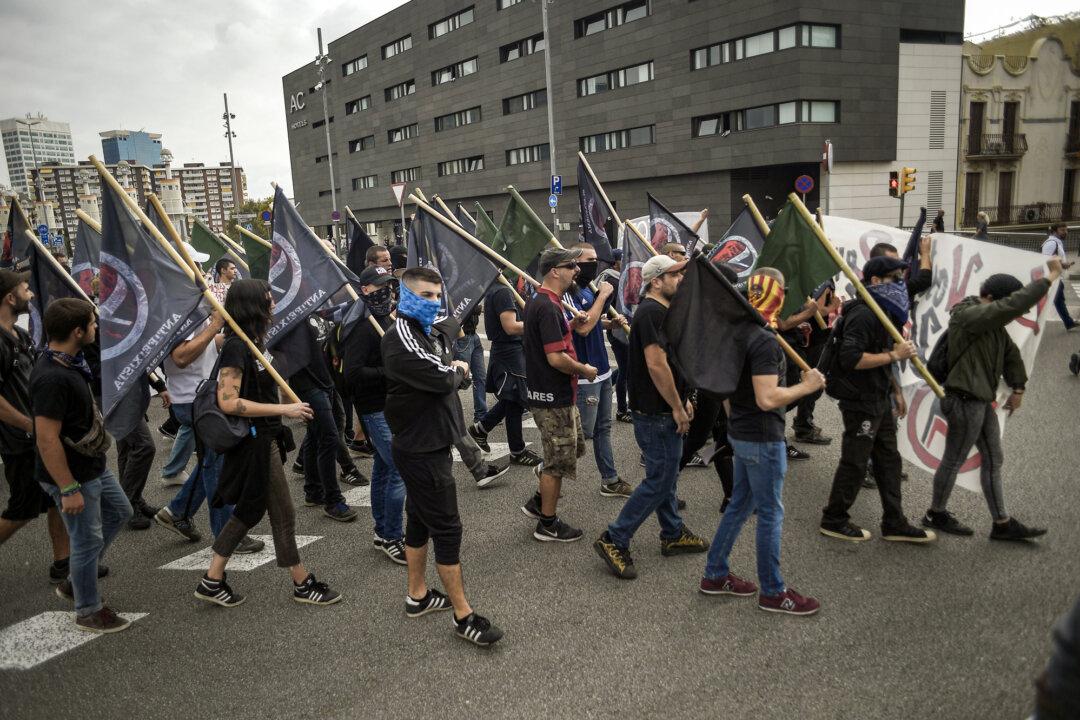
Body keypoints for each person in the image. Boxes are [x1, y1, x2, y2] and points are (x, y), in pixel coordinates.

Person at [196, 279, 340, 608]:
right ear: (252, 305)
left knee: (256, 509)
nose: (273, 302)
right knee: (279, 512)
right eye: (267, 298)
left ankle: (213, 579)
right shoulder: (236, 346)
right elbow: (229, 401)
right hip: (254, 441)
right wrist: (285, 408)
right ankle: (301, 582)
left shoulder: (255, 341)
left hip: (267, 436)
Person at [382, 267, 503, 646]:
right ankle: (463, 614)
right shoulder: (401, 336)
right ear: (405, 297)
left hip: (430, 442)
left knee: (418, 521)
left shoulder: (425, 330)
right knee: (448, 530)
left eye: (437, 295)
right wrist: (458, 367)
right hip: (420, 450)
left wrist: (455, 367)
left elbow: (448, 369)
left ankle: (417, 595)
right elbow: (444, 378)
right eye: (425, 295)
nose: (433, 302)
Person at [698, 267, 825, 615]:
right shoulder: (763, 340)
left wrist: (736, 418)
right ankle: (773, 591)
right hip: (762, 437)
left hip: (741, 432)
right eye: (781, 290)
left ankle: (714, 573)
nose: (786, 296)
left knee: (740, 505)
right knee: (770, 512)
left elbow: (725, 390)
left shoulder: (733, 333)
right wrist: (807, 386)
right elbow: (767, 399)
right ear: (772, 295)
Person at [923, 262, 1059, 540]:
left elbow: (1011, 356)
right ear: (993, 300)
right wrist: (1050, 278)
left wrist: (1018, 389)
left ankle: (1002, 523)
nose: (1015, 316)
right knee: (954, 459)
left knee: (994, 458)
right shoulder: (968, 316)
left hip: (980, 402)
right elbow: (1006, 309)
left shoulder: (993, 325)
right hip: (963, 400)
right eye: (1012, 309)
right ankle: (935, 513)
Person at [594, 254, 709, 579]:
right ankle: (615, 538)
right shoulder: (651, 313)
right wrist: (675, 405)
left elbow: (673, 361)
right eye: (675, 276)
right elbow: (657, 365)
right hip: (656, 413)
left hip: (662, 409)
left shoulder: (660, 311)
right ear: (656, 280)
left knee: (666, 476)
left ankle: (672, 533)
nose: (681, 280)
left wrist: (683, 399)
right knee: (659, 480)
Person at [819, 256, 935, 544]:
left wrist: (895, 390)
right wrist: (895, 355)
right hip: (860, 401)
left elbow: (882, 356)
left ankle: (894, 521)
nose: (900, 284)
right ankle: (834, 518)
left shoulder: (884, 311)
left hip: (879, 396)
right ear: (874, 281)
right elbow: (851, 358)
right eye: (894, 278)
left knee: (889, 461)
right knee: (856, 461)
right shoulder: (864, 315)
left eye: (901, 278)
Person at [33, 298, 133, 632]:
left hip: (91, 465)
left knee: (120, 511)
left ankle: (76, 579)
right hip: (73, 476)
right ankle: (88, 608)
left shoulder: (68, 361)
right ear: (77, 332)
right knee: (87, 541)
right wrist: (67, 487)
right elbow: (46, 438)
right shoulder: (52, 378)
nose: (96, 328)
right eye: (92, 323)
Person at [153, 311, 264, 554]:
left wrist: (234, 335)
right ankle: (227, 534)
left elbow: (206, 346)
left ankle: (177, 512)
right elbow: (181, 356)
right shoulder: (177, 311)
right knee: (218, 464)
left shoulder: (196, 310)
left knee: (211, 461)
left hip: (202, 395)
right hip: (192, 399)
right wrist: (214, 325)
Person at [520, 247, 596, 543]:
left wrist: (571, 326)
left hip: (555, 394)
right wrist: (583, 369)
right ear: (554, 270)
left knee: (571, 450)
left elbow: (549, 340)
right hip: (552, 396)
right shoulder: (548, 306)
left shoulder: (547, 302)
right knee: (557, 461)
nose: (577, 270)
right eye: (571, 265)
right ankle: (547, 524)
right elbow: (555, 358)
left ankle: (539, 501)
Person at [0, 271, 72, 581]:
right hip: (20, 441)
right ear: (9, 297)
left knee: (58, 497)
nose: (30, 292)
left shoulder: (21, 334)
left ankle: (63, 562)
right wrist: (29, 424)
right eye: (25, 288)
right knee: (22, 509)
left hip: (38, 436)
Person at [342, 265, 408, 564]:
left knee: (383, 468)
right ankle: (393, 535)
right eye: (379, 286)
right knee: (398, 468)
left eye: (389, 286)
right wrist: (388, 371)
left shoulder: (383, 318)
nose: (387, 291)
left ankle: (382, 531)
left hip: (389, 404)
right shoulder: (360, 325)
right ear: (365, 290)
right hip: (373, 407)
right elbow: (353, 373)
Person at [566, 243, 631, 498]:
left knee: (604, 427)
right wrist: (603, 297)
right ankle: (548, 469)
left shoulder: (588, 288)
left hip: (602, 369)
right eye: (590, 259)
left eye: (596, 258)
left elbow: (592, 323)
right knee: (583, 434)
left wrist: (609, 323)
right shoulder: (570, 293)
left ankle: (610, 479)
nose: (595, 263)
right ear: (575, 262)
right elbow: (581, 328)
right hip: (585, 373)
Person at [280, 318, 357, 522]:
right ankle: (333, 500)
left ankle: (313, 491)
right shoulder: (291, 316)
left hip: (325, 380)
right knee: (329, 437)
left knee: (315, 436)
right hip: (307, 385)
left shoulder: (313, 310)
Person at [468, 281, 543, 467]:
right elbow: (510, 327)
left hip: (510, 351)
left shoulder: (499, 289)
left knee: (512, 398)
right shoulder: (502, 291)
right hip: (508, 352)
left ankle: (482, 428)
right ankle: (517, 451)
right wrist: (539, 323)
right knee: (516, 399)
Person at [453, 302, 487, 423]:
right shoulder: (460, 290)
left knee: (480, 377)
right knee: (460, 379)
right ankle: (447, 414)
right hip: (462, 338)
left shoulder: (472, 288)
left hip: (473, 335)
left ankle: (481, 415)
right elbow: (473, 308)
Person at [1042, 223, 1075, 329]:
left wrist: (1064, 265)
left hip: (1054, 277)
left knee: (1058, 301)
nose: (1065, 232)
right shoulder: (1051, 243)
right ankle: (1069, 323)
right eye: (1062, 230)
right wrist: (1063, 265)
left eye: (1066, 230)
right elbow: (1046, 260)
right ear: (1054, 231)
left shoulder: (1057, 243)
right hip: (1052, 278)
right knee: (1058, 301)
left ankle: (1069, 323)